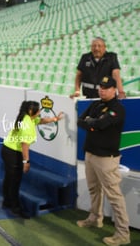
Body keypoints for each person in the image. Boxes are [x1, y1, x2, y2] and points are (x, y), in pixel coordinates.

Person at [76, 75, 130, 246]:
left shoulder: (118, 109)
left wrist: (92, 123)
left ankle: (123, 233)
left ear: (114, 90)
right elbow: (80, 121)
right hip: (90, 154)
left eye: (106, 88)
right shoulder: (95, 104)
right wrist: (92, 123)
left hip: (106, 158)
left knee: (114, 196)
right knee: (94, 189)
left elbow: (100, 125)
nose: (102, 90)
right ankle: (95, 218)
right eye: (100, 87)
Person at [1, 100, 63, 219]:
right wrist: (26, 162)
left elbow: (40, 120)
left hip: (7, 149)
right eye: (38, 109)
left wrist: (54, 119)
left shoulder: (26, 117)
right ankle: (15, 208)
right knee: (14, 181)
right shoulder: (27, 124)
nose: (39, 111)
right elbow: (25, 145)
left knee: (9, 178)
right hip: (13, 154)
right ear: (31, 111)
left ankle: (7, 202)